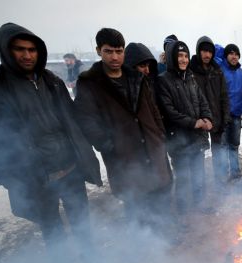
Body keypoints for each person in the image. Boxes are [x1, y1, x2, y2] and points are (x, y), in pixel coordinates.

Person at [0, 23, 102, 263]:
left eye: (32, 49)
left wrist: (84, 156)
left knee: (82, 225)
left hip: (70, 170)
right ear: (7, 51)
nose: (27, 55)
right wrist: (13, 179)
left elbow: (72, 123)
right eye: (19, 49)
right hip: (37, 180)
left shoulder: (53, 83)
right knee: (53, 234)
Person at [74, 28, 172, 226]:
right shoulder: (90, 83)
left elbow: (152, 110)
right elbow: (86, 121)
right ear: (98, 50)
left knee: (161, 202)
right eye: (108, 51)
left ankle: (164, 241)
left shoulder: (137, 78)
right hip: (125, 158)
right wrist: (110, 144)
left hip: (153, 150)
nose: (114, 56)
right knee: (137, 208)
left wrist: (160, 135)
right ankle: (142, 249)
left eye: (119, 51)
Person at [156, 41, 213, 217]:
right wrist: (193, 123)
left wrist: (207, 118)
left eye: (186, 56)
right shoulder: (163, 80)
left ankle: (200, 204)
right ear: (173, 57)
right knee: (183, 178)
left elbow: (202, 101)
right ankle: (183, 211)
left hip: (197, 138)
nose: (183, 59)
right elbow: (169, 111)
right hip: (178, 139)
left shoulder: (191, 78)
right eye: (180, 56)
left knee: (198, 175)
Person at [191, 36, 231, 188]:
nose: (207, 55)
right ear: (198, 51)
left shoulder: (217, 70)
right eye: (204, 51)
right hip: (199, 119)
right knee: (198, 153)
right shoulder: (191, 70)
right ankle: (199, 187)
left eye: (210, 51)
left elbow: (224, 96)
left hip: (216, 117)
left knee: (218, 152)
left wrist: (225, 116)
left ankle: (219, 182)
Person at [219, 43, 242, 180]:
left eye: (236, 54)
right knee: (223, 146)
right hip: (223, 115)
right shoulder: (220, 71)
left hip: (237, 115)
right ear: (226, 56)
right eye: (231, 53)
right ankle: (223, 174)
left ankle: (235, 173)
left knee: (234, 145)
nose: (234, 56)